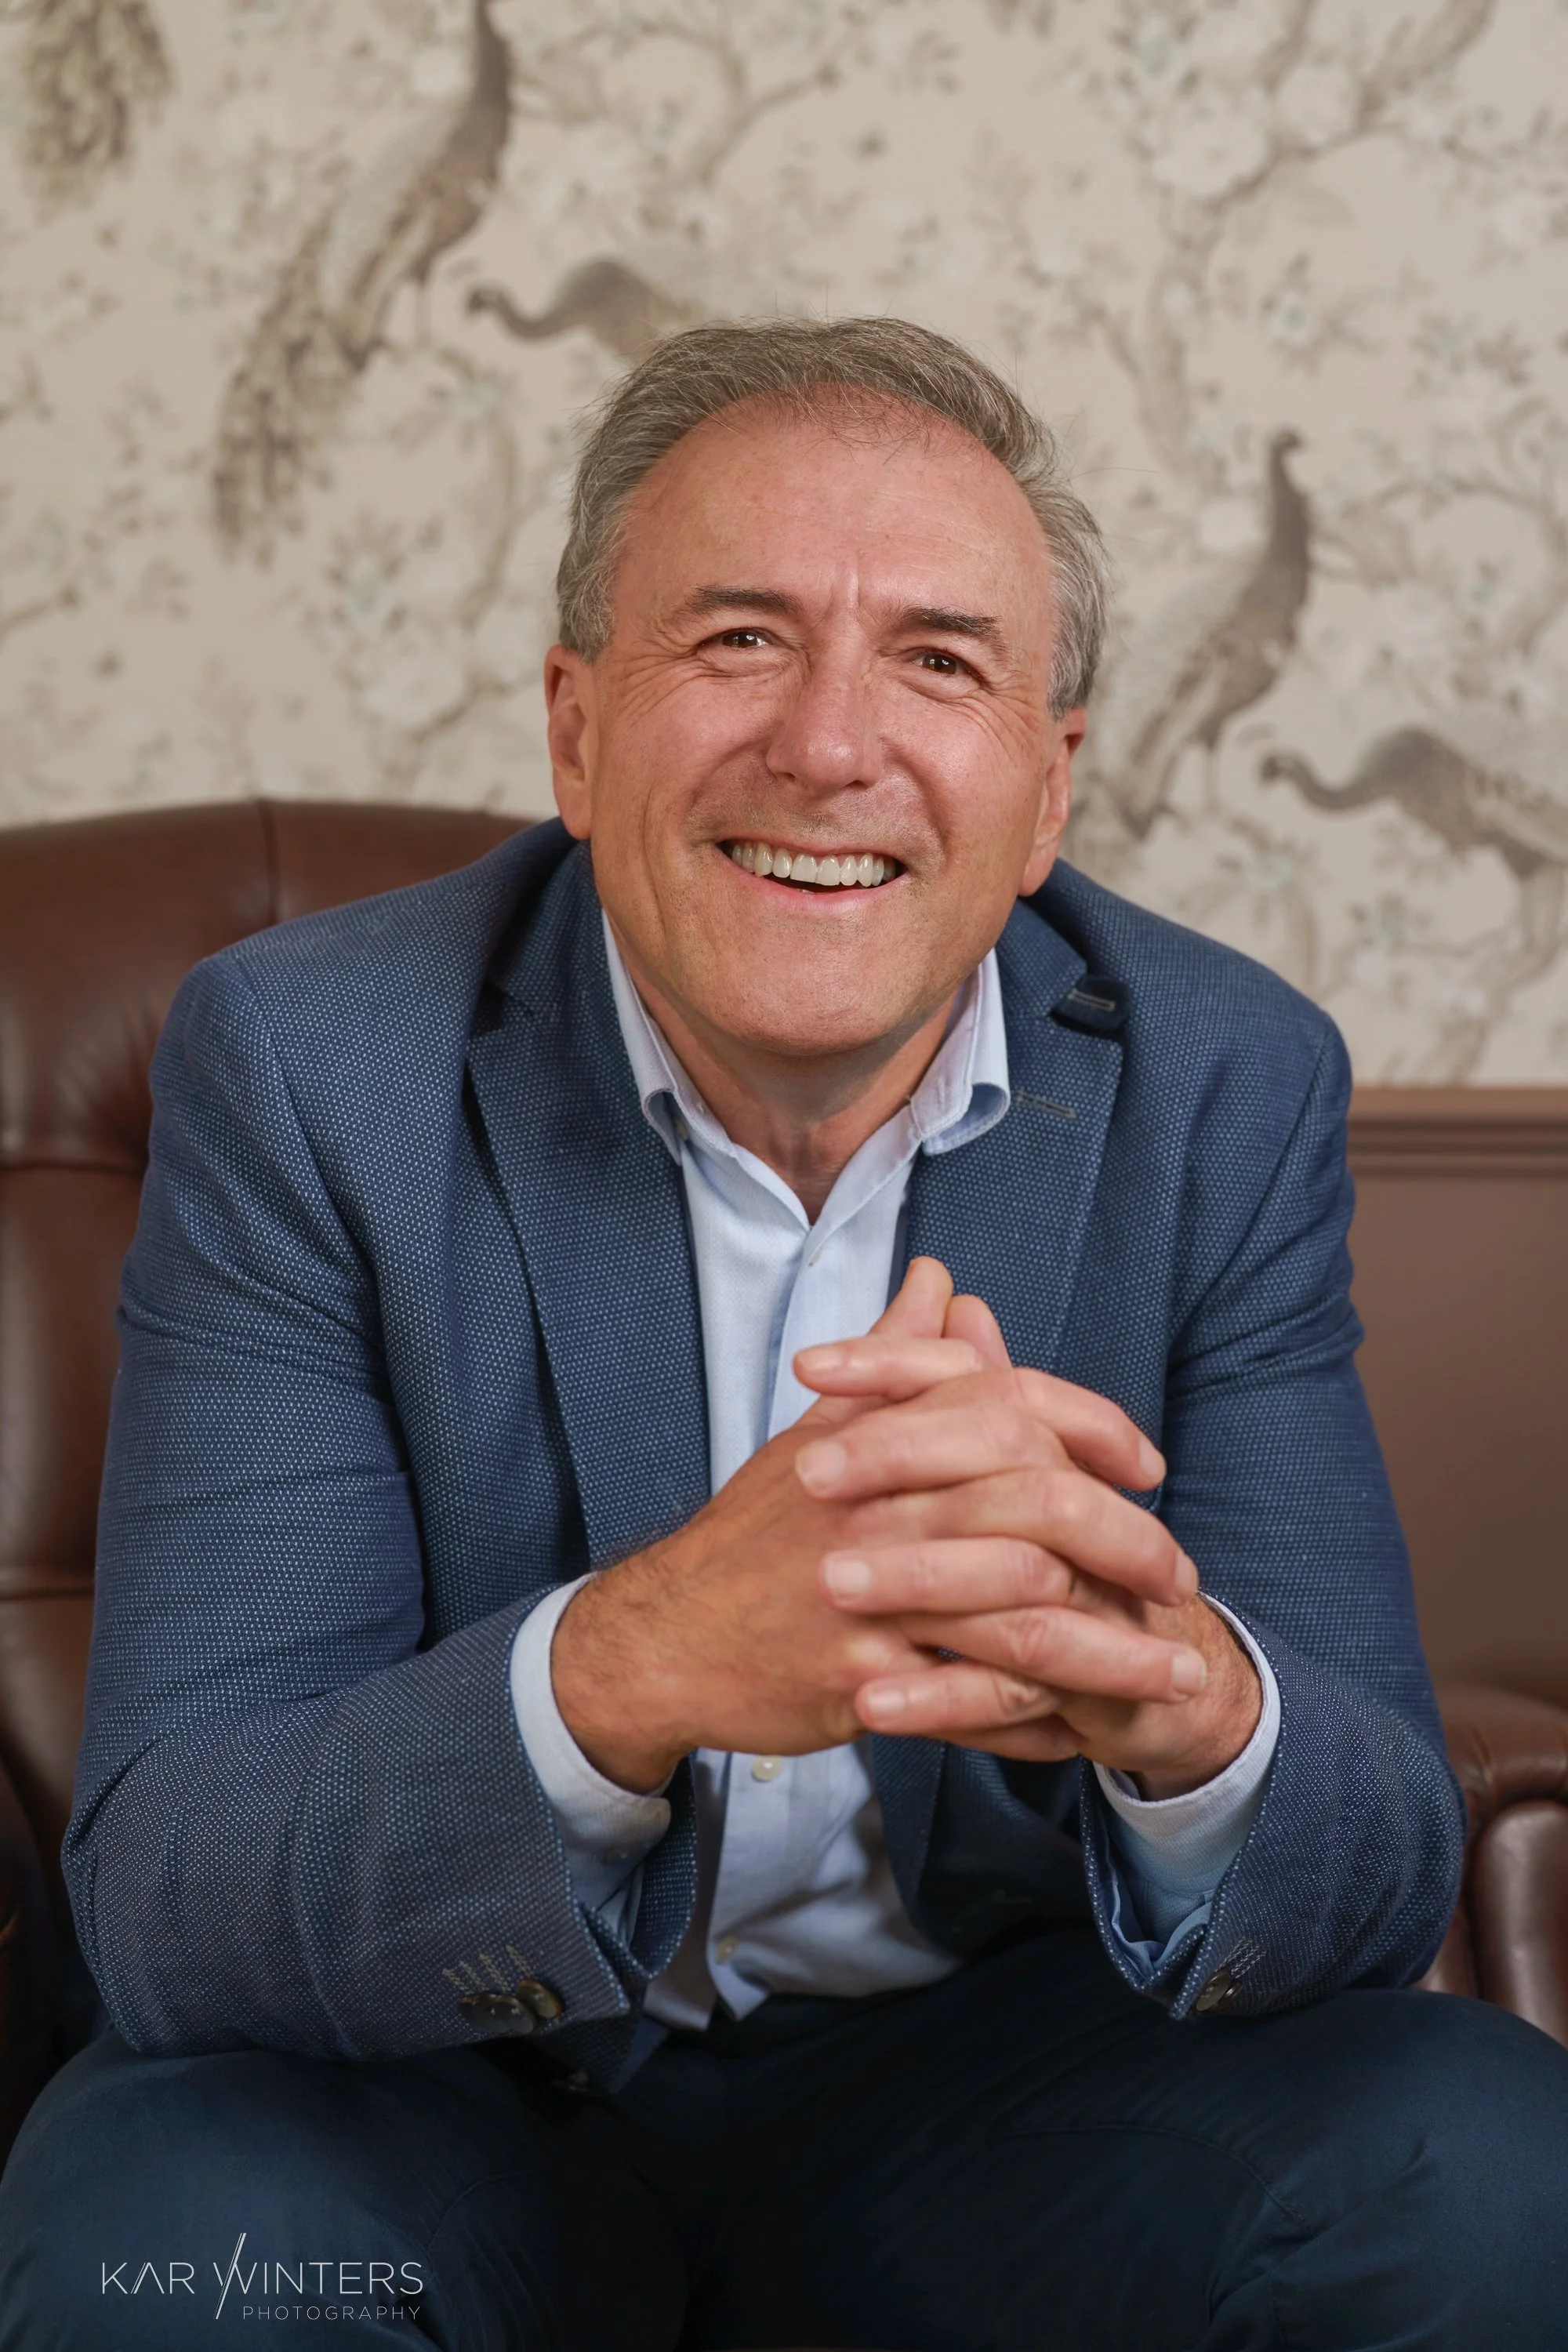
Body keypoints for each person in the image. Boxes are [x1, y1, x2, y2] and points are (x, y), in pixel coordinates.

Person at [2, 316, 1566, 2350]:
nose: (832, 746)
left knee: (1492, 2168)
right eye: (740, 638)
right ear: (577, 731)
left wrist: (1196, 1713)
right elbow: (177, 1887)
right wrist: (632, 1664)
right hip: (433, 2090)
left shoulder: (1222, 1080)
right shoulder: (313, 1067)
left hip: (995, 2103)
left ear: (1046, 793)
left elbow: (1373, 1863)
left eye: (940, 661)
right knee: (165, 2244)